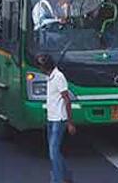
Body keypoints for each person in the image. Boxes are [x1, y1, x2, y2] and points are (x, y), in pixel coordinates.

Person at [36, 54, 75, 183]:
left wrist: (70, 122)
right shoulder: (50, 77)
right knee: (55, 151)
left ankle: (58, 180)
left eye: (40, 66)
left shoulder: (58, 77)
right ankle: (67, 177)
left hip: (59, 120)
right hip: (51, 119)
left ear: (45, 66)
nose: (39, 69)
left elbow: (67, 100)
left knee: (53, 153)